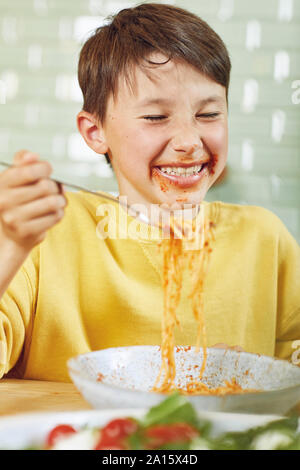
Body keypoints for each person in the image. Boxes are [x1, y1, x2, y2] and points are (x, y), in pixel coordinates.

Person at [0, 3, 299, 382]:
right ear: (95, 132)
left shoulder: (264, 238)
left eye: (208, 114)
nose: (190, 141)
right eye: (156, 117)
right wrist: (9, 245)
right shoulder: (43, 238)